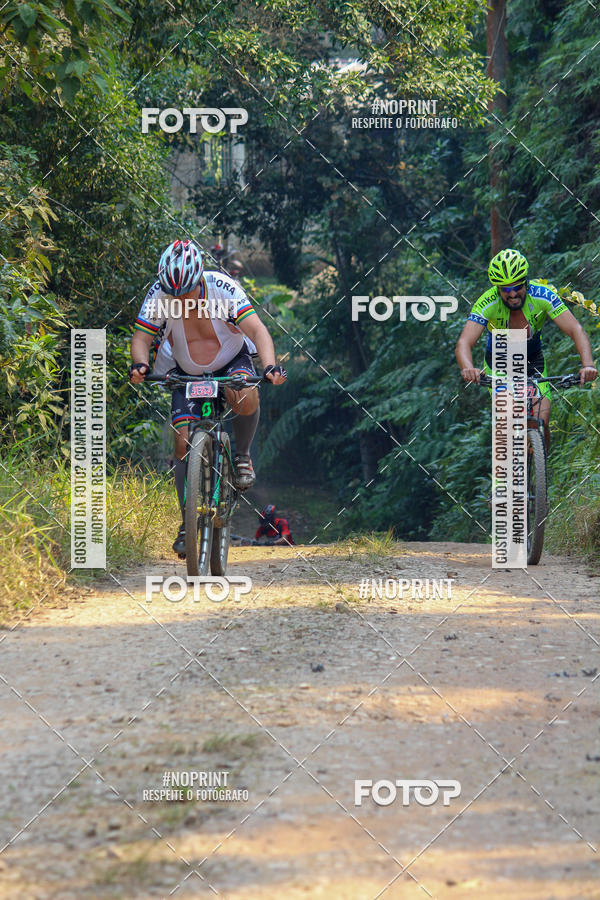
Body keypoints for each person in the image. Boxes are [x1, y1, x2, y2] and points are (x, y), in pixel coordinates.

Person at [129, 239, 286, 554]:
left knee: (246, 396)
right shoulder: (161, 294)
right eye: (175, 294)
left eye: (186, 291)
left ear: (200, 278)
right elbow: (141, 339)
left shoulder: (222, 288)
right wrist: (140, 364)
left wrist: (269, 365)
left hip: (231, 360)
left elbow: (258, 332)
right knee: (181, 441)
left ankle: (241, 455)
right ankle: (187, 523)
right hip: (185, 368)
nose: (181, 299)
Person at [455, 248, 597, 447]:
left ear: (526, 282)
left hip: (533, 361)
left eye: (517, 287)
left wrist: (588, 364)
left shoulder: (542, 295)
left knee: (542, 421)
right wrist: (468, 367)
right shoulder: (487, 302)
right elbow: (464, 342)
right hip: (500, 362)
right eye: (505, 289)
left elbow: (575, 329)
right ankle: (510, 470)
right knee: (507, 418)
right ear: (497, 289)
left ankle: (540, 470)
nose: (512, 294)